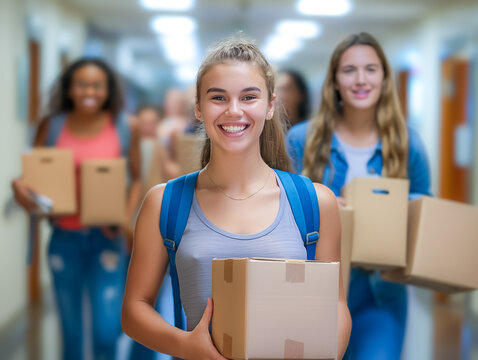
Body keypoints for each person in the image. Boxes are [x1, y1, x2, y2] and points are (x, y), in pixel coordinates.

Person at [122, 38, 351, 359]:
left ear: (270, 106)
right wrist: (186, 346)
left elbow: (335, 305)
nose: (233, 110)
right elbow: (135, 309)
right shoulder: (165, 202)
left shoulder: (315, 203)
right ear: (199, 107)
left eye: (248, 97)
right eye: (218, 98)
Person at [286, 32, 432, 359]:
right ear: (335, 80)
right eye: (349, 70)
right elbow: (274, 208)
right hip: (312, 292)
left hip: (380, 294)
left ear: (384, 78)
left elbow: (426, 212)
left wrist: (384, 210)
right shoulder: (301, 139)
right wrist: (319, 205)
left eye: (371, 69)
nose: (361, 79)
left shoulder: (408, 144)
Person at [11, 58, 141, 360]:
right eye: (81, 84)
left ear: (108, 90)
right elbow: (33, 175)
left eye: (97, 85)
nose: (89, 92)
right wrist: (19, 187)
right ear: (69, 88)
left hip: (107, 239)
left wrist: (125, 216)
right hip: (63, 239)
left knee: (107, 333)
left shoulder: (124, 126)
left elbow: (136, 178)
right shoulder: (52, 126)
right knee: (70, 335)